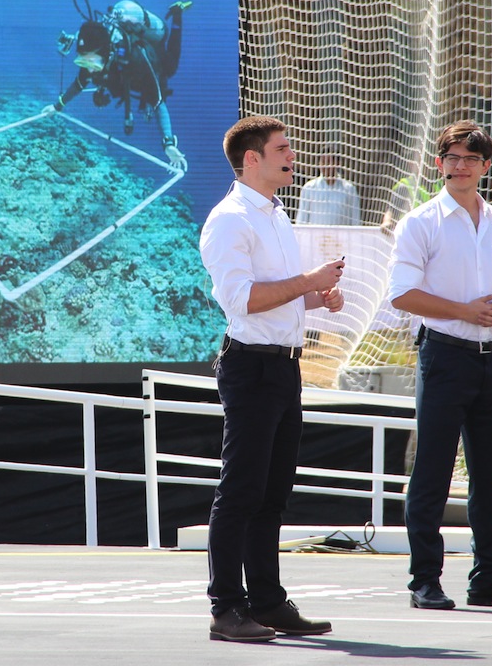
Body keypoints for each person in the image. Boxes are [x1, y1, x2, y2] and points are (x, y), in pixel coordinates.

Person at [198, 115, 345, 642]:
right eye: (282, 149)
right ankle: (226, 608)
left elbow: (277, 295)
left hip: (284, 366)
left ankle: (267, 601)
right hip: (252, 367)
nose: (292, 156)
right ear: (252, 158)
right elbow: (242, 300)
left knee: (273, 492)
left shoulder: (277, 214)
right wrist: (308, 281)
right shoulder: (229, 219)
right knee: (241, 490)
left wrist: (316, 297)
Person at [388, 120, 492, 611]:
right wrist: (465, 311)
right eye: (452, 157)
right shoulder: (420, 222)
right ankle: (424, 579)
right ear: (439, 163)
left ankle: (488, 577)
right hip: (444, 355)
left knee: (489, 475)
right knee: (432, 470)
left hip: (491, 358)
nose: (460, 166)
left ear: (485, 166)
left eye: (470, 159)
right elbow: (402, 294)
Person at [44, 0, 189, 172]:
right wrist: (57, 106)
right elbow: (79, 84)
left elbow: (158, 102)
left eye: (92, 63)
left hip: (147, 67)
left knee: (171, 67)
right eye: (83, 62)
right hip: (120, 76)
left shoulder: (136, 59)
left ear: (107, 55)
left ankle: (177, 14)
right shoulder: (92, 55)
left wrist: (168, 144)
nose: (89, 70)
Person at [296, 153, 361, 225]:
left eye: (328, 161)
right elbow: (302, 218)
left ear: (337, 163)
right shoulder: (309, 188)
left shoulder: (349, 189)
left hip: (340, 232)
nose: (325, 165)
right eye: (323, 161)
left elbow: (355, 219)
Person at [380, 154, 433, 234]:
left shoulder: (437, 185)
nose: (424, 165)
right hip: (410, 232)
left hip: (432, 231)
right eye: (420, 161)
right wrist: (387, 222)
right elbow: (391, 210)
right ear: (411, 164)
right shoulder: (405, 186)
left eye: (427, 161)